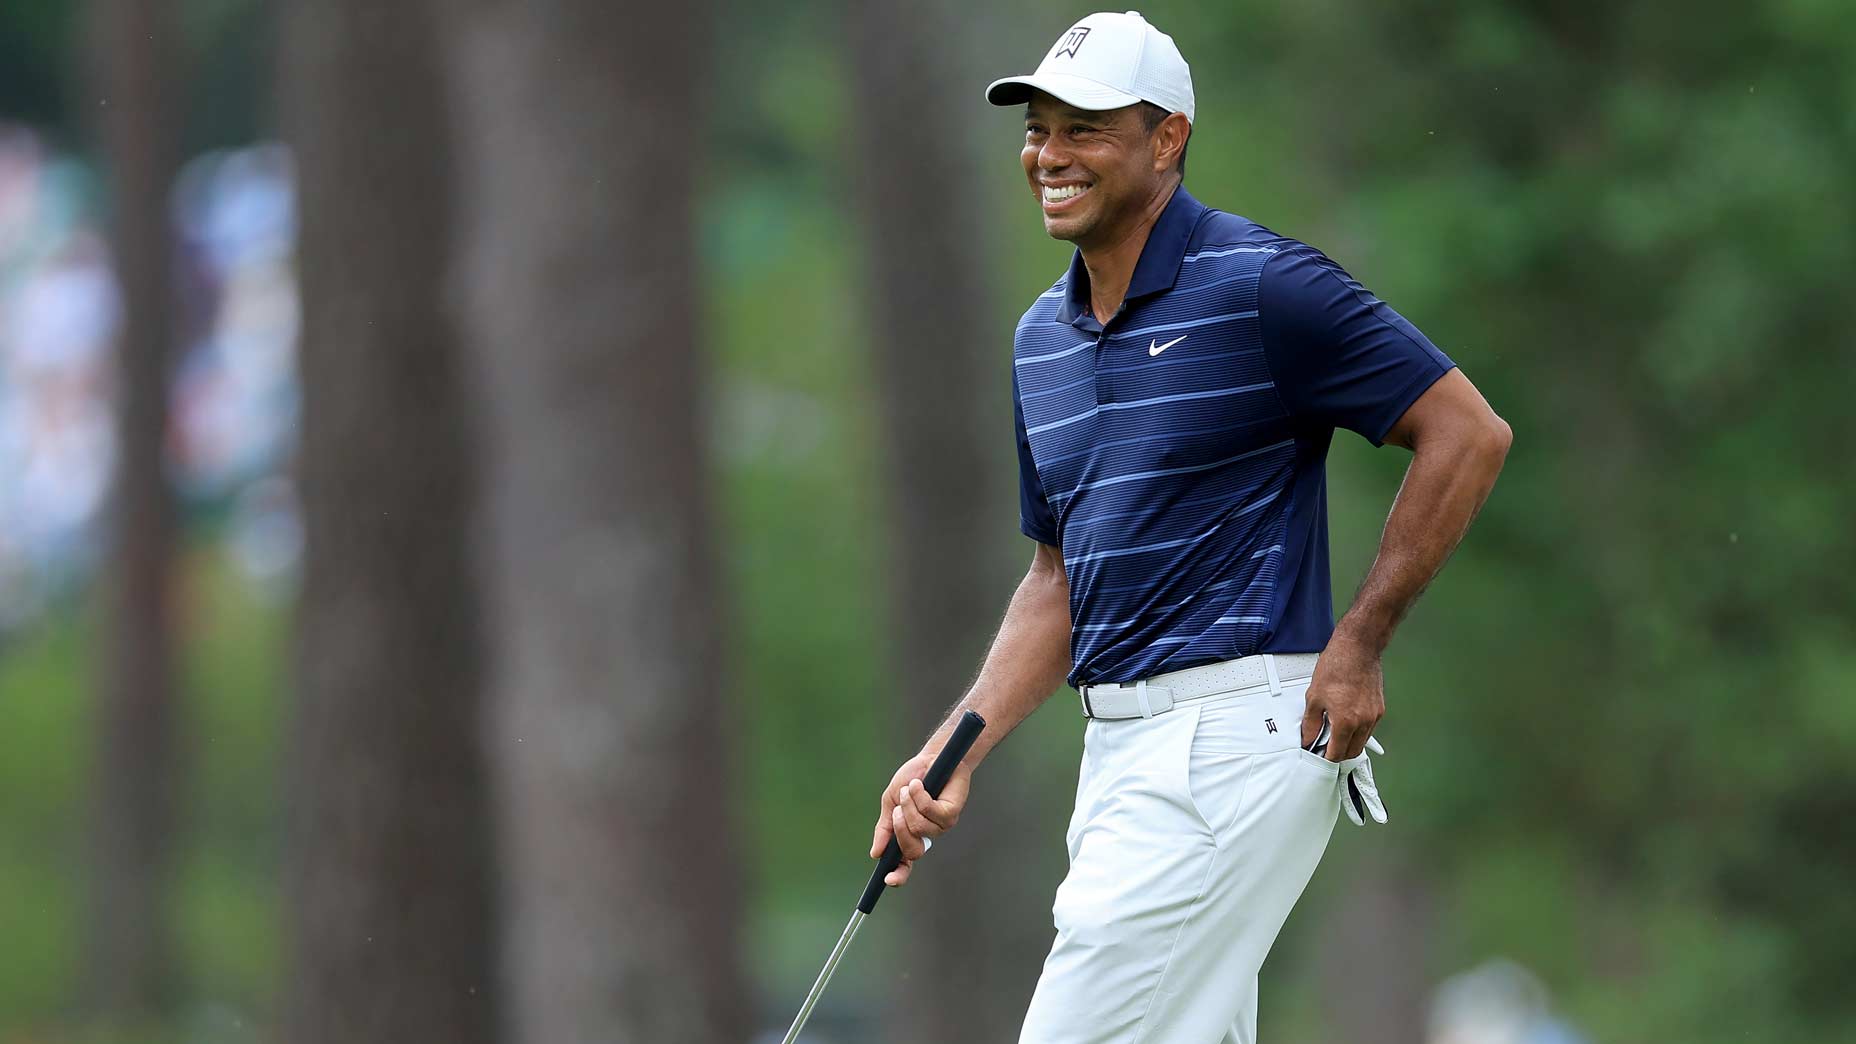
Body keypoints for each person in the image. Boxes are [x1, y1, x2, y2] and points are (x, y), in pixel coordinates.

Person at [869, 10, 1511, 1042]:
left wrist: (1357, 644)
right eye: (1037, 129)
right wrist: (958, 746)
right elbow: (1058, 581)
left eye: (1084, 129)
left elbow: (1465, 434)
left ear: (1164, 139)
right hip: (1120, 757)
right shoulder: (1041, 338)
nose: (1047, 156)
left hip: (1231, 740)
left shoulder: (1262, 286)